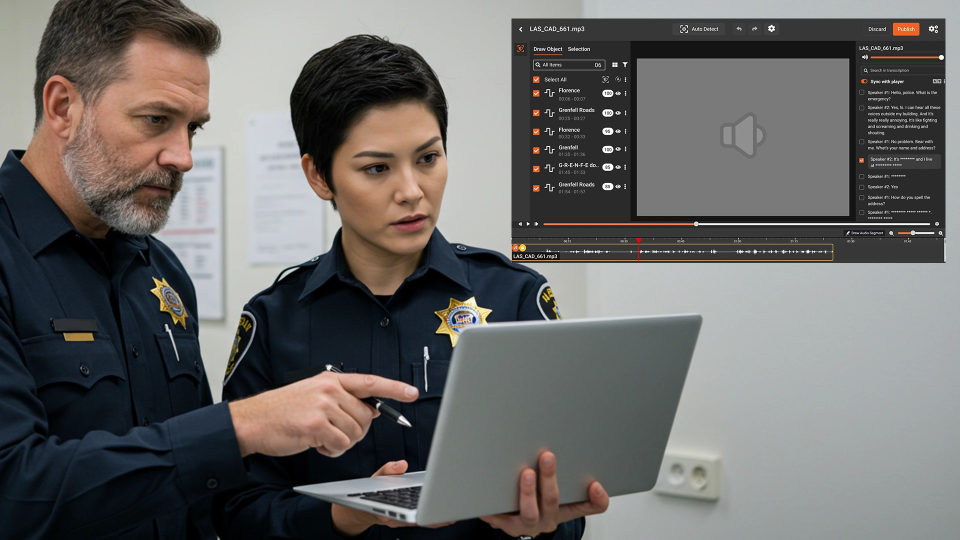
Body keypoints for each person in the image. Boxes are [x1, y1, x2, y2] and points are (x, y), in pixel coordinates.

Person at [0, 3, 418, 538]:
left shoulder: (163, 276)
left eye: (192, 128)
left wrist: (341, 514)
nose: (183, 156)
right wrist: (243, 425)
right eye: (156, 120)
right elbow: (15, 489)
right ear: (63, 107)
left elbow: (205, 498)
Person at [214, 35, 609, 540]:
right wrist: (340, 518)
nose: (411, 190)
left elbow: (568, 500)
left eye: (427, 158)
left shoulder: (514, 299)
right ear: (318, 175)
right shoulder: (275, 320)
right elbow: (236, 509)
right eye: (377, 168)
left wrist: (541, 527)